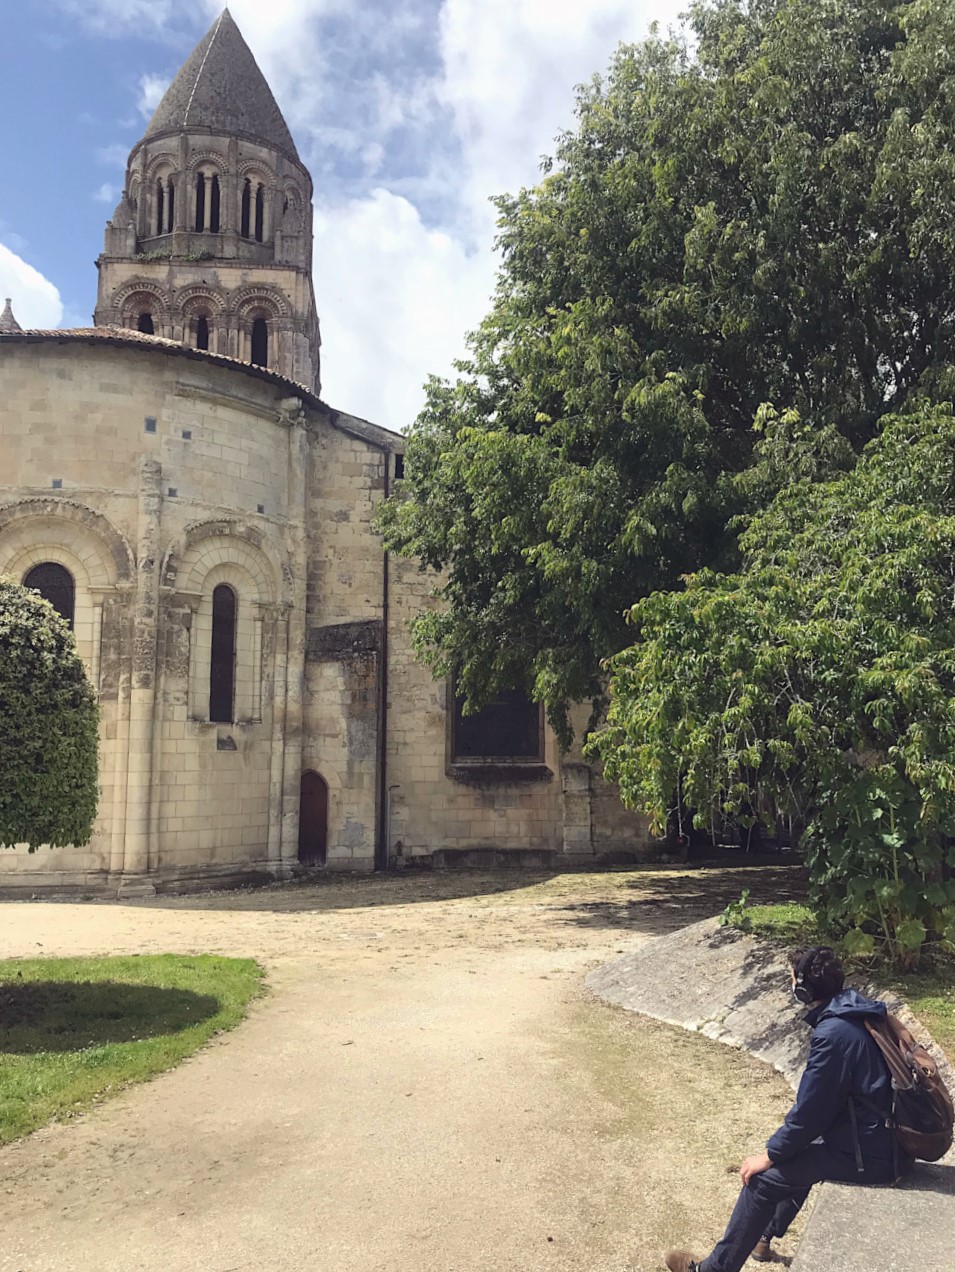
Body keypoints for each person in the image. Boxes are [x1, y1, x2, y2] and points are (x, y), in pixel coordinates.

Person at [664, 945, 908, 1272]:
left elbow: (809, 1115)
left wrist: (769, 1155)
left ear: (803, 989)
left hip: (871, 1156)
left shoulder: (833, 1034)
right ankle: (762, 1238)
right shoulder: (857, 1010)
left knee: (762, 1181)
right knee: (799, 1154)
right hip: (883, 1141)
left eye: (792, 980)